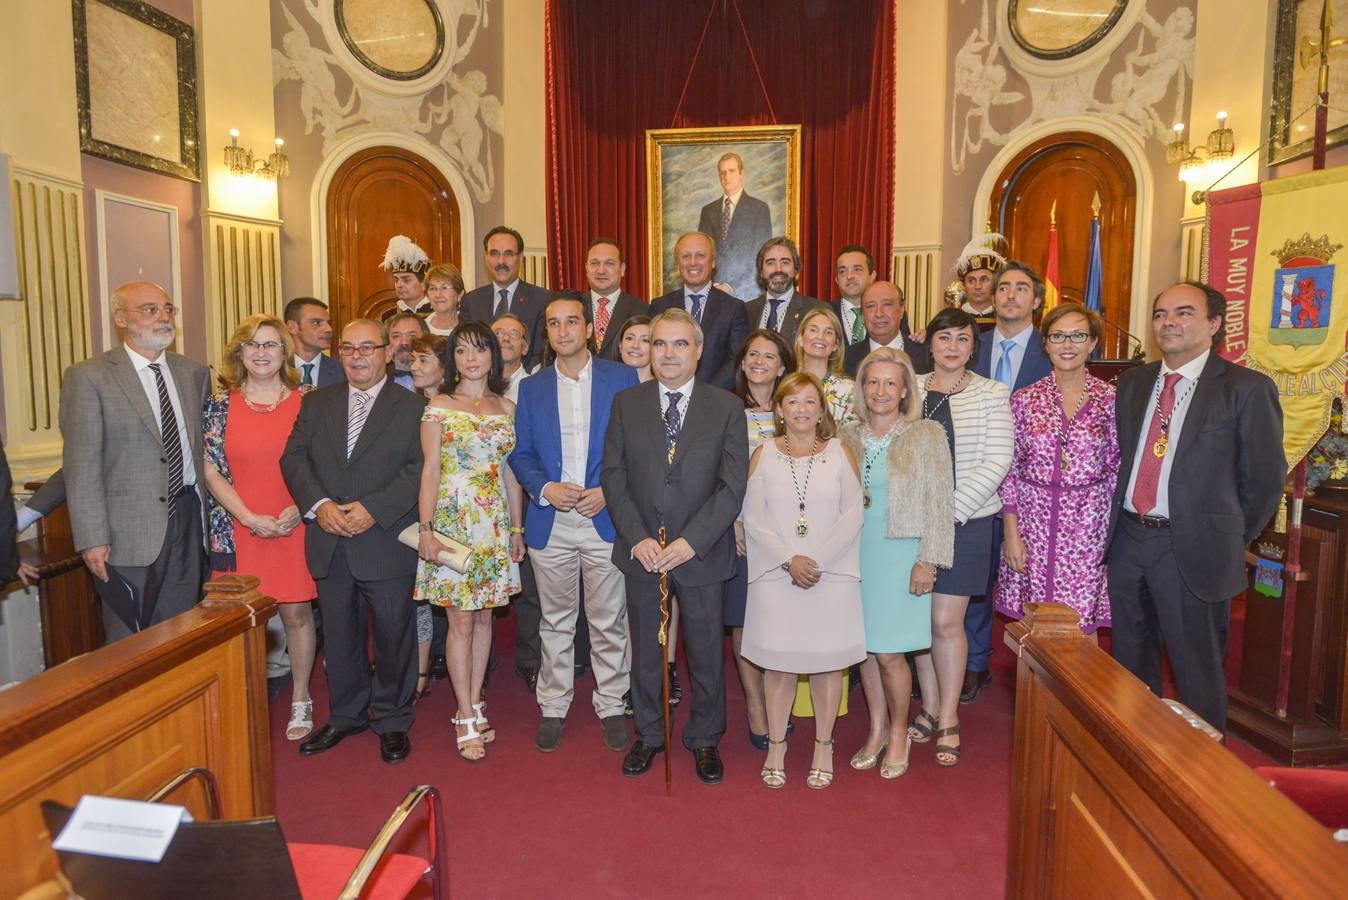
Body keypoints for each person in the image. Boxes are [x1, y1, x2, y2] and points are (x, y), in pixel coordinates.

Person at [1108, 282, 1285, 733]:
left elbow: (1264, 480)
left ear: (1213, 325)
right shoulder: (1133, 382)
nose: (1168, 322)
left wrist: (1224, 537)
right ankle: (1134, 757)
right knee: (1129, 665)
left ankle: (1201, 783)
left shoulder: (1246, 389)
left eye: (1183, 313)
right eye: (1160, 313)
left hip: (1194, 548)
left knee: (1196, 674)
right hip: (1129, 540)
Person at [602, 309, 749, 784]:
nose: (668, 354)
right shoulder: (627, 403)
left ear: (699, 350)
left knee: (706, 652)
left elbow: (732, 487)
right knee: (646, 650)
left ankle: (705, 738)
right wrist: (637, 537)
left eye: (679, 344)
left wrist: (691, 542)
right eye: (660, 344)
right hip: (643, 549)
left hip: (700, 552)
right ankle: (649, 732)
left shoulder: (725, 406)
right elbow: (614, 476)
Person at [280, 318, 426, 765]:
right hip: (330, 538)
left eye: (367, 347)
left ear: (386, 352)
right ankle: (345, 715)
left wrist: (373, 509)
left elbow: (420, 468)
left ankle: (392, 718)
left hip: (384, 539)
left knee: (393, 634)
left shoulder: (415, 406)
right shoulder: (316, 403)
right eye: (348, 348)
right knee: (339, 635)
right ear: (339, 354)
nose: (358, 356)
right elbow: (294, 458)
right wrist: (319, 504)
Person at [510, 293, 639, 753]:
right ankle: (554, 704)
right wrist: (544, 489)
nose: (563, 331)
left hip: (604, 517)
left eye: (572, 322)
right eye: (553, 323)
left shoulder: (622, 378)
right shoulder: (532, 387)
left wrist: (610, 491)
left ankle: (610, 704)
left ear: (589, 328)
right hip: (552, 520)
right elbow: (520, 453)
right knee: (556, 619)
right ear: (547, 332)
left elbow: (634, 449)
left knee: (608, 620)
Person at [60, 281, 210, 642]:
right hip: (125, 534)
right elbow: (81, 466)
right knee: (130, 640)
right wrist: (91, 538)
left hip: (189, 519)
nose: (163, 317)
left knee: (184, 630)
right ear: (120, 318)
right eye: (149, 309)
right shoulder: (89, 377)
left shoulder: (194, 373)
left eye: (167, 309)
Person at [741, 372, 865, 790]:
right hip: (777, 577)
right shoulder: (762, 454)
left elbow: (853, 515)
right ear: (779, 409)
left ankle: (824, 745)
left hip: (830, 578)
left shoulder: (839, 451)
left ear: (821, 409)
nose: (801, 410)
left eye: (810, 402)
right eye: (793, 402)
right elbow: (754, 519)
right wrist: (788, 560)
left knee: (829, 665)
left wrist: (817, 561)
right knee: (779, 666)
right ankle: (777, 745)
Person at [202, 315, 316, 740]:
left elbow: (322, 463)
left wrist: (296, 507)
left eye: (270, 344)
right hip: (239, 526)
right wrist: (247, 517)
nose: (262, 353)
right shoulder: (218, 404)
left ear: (285, 352)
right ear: (239, 353)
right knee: (243, 623)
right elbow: (211, 468)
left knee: (297, 614)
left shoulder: (309, 400)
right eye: (252, 345)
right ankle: (244, 698)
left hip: (294, 522)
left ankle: (301, 697)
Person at [415, 323, 525, 761]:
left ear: (492, 356)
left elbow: (511, 474)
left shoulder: (508, 408)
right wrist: (426, 530)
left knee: (484, 621)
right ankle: (463, 714)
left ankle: (476, 702)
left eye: (478, 350)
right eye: (460, 351)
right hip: (452, 520)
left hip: (494, 523)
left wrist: (517, 530)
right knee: (460, 621)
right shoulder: (439, 406)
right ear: (452, 359)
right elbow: (430, 471)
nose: (470, 358)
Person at [843, 349, 954, 778]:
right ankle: (874, 729)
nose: (881, 391)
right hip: (856, 554)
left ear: (905, 389)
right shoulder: (846, 435)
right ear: (862, 388)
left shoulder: (926, 433)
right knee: (865, 652)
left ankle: (898, 732)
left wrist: (929, 561)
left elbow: (940, 504)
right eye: (873, 382)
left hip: (902, 554)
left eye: (891, 383)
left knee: (890, 655)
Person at [909, 308, 1012, 767]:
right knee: (918, 624)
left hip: (965, 524)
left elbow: (996, 462)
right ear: (929, 343)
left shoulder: (993, 394)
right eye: (944, 337)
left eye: (962, 339)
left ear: (974, 346)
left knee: (947, 623)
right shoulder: (908, 386)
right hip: (908, 523)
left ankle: (949, 715)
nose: (952, 346)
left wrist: (944, 514)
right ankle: (929, 706)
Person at [997, 304, 1119, 637]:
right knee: (1033, 628)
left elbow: (1117, 471)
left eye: (1078, 335)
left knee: (1081, 627)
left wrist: (1111, 537)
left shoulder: (1112, 400)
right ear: (1046, 344)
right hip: (1032, 526)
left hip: (1088, 530)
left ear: (1092, 342)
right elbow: (1009, 471)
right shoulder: (1024, 400)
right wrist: (1011, 534)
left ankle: (1081, 692)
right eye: (1058, 336)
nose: (1068, 344)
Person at [963, 261, 1054, 703]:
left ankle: (1036, 669)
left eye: (1021, 288)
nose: (1010, 295)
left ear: (1037, 301)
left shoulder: (1054, 349)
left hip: (1034, 491)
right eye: (1003, 288)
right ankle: (973, 662)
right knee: (975, 579)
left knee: (1027, 579)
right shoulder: (969, 346)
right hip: (974, 483)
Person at [728, 329, 796, 748]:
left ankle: (778, 702)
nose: (759, 361)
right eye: (752, 354)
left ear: (783, 366)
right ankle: (755, 706)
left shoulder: (797, 409)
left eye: (769, 356)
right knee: (744, 622)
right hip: (740, 534)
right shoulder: (725, 409)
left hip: (789, 537)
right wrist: (735, 521)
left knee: (781, 622)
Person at [650, 231, 749, 390]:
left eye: (700, 255)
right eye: (686, 256)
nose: (693, 262)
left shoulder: (734, 308)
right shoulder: (659, 306)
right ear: (678, 264)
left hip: (716, 400)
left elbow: (736, 360)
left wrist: (703, 394)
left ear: (713, 262)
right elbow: (655, 355)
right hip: (669, 394)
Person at [408, 334, 450, 702]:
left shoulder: (451, 406)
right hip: (408, 509)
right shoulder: (407, 405)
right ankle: (419, 669)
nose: (414, 367)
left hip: (448, 510)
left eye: (423, 360)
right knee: (418, 596)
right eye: (412, 360)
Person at [461, 226, 552, 368]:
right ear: (486, 258)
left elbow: (540, 355)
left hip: (524, 384)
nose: (501, 261)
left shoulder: (542, 299)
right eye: (494, 253)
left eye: (508, 254)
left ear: (520, 258)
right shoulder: (471, 301)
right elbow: (465, 350)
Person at [696, 152, 773, 300]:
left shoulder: (759, 209)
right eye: (722, 173)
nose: (726, 177)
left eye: (731, 171)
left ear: (741, 173)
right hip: (712, 294)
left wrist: (731, 287)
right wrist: (713, 286)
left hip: (748, 294)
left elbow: (761, 257)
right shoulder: (708, 211)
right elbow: (703, 254)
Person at [744, 236, 825, 348]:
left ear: (796, 269)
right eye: (770, 263)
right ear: (761, 272)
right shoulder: (746, 311)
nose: (778, 269)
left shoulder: (817, 310)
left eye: (785, 262)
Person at [843, 281, 932, 376]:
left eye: (887, 304)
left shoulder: (926, 355)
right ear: (862, 313)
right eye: (870, 306)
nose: (879, 313)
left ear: (901, 310)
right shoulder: (845, 359)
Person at [585, 238, 649, 361]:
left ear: (622, 269)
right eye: (595, 263)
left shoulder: (643, 310)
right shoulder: (576, 307)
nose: (601, 270)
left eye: (609, 263)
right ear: (587, 268)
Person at [794, 307, 856, 425]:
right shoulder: (786, 385)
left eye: (828, 332)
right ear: (800, 339)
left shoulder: (849, 389)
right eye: (813, 330)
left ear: (836, 345)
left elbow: (852, 439)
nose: (820, 337)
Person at [284, 297, 344, 389]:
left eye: (329, 323)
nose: (329, 329)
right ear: (293, 327)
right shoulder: (275, 370)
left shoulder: (342, 373)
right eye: (317, 323)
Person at [953, 232, 1006, 322]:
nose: (978, 286)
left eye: (984, 279)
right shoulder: (952, 321)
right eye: (971, 281)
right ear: (964, 286)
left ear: (995, 283)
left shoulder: (1007, 318)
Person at [378, 234, 433, 318]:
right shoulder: (387, 317)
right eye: (396, 280)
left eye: (406, 280)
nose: (399, 285)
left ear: (424, 284)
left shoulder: (438, 313)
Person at [832, 245, 877, 348]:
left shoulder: (889, 312)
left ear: (872, 276)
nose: (849, 276)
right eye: (842, 271)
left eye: (857, 269)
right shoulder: (825, 311)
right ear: (837, 280)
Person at [492, 312, 535, 405]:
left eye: (514, 334)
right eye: (499, 333)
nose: (506, 338)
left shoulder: (534, 389)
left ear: (525, 348)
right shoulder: (475, 385)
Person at [388, 313, 429, 391]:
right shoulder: (378, 381)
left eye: (412, 336)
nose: (404, 342)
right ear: (388, 343)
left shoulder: (441, 377)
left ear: (426, 339)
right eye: (396, 336)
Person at [424, 264, 465, 336]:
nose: (438, 294)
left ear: (460, 294)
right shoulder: (422, 329)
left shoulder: (469, 328)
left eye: (444, 288)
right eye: (433, 288)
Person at [615, 316, 653, 382]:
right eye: (629, 338)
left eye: (645, 340)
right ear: (620, 346)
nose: (635, 345)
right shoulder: (604, 384)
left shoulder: (664, 388)